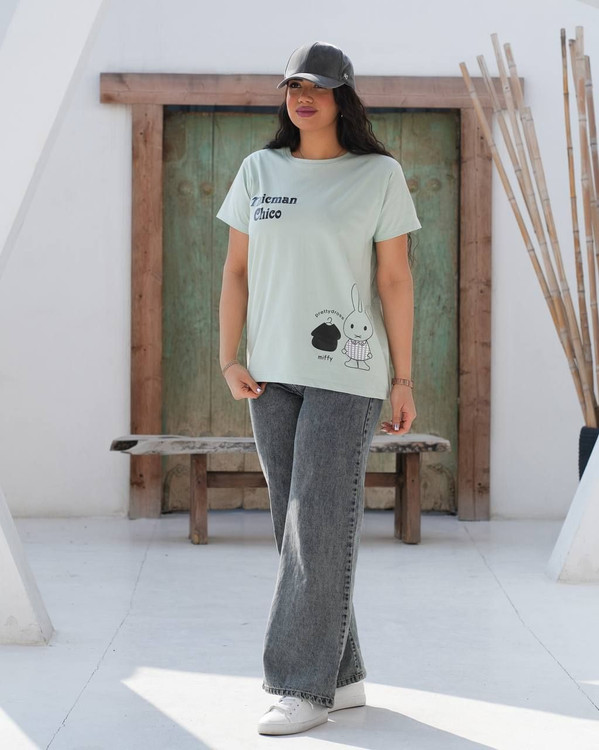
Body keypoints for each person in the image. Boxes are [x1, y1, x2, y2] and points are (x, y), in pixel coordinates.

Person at [216, 41, 422, 737]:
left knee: (317, 523)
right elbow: (236, 272)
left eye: (318, 86)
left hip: (347, 377)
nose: (303, 96)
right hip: (269, 375)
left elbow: (394, 280)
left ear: (343, 97)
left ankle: (300, 686)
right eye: (294, 86)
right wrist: (228, 358)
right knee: (296, 527)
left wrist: (402, 379)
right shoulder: (259, 170)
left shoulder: (378, 175)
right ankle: (343, 675)